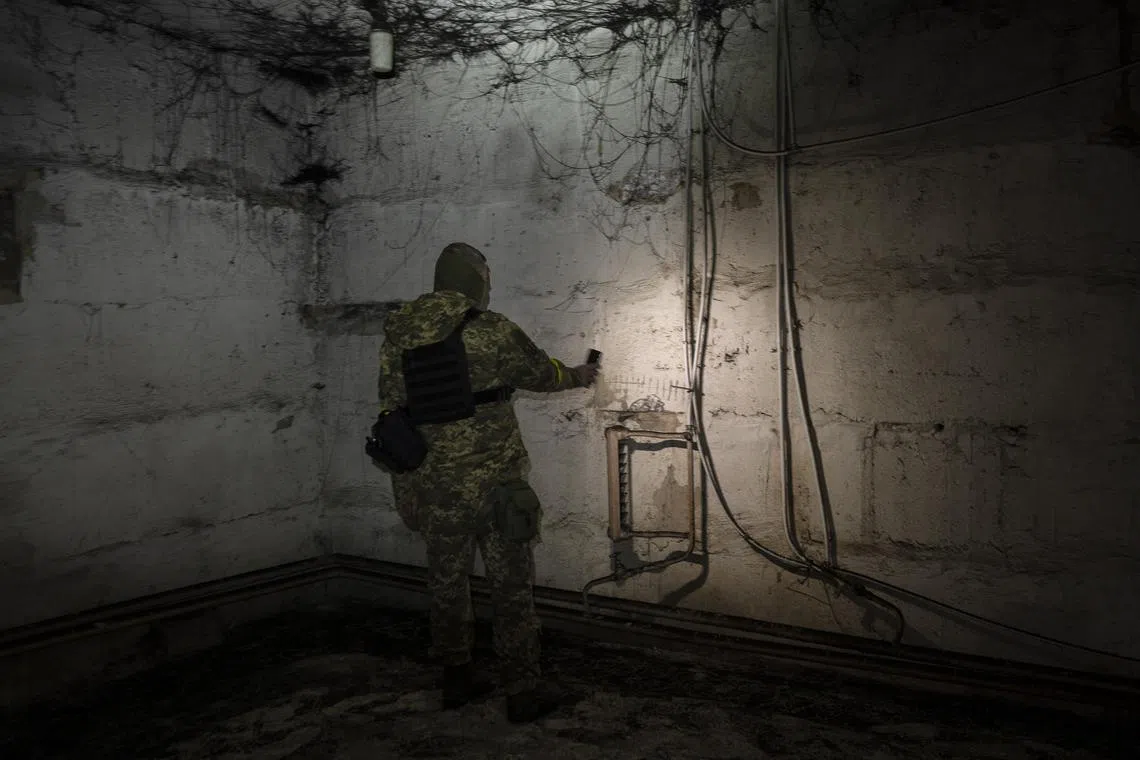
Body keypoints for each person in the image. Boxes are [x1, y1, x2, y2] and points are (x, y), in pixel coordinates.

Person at [375, 241, 600, 723]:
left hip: (434, 482)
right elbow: (541, 373)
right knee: (512, 584)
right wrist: (579, 375)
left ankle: (456, 676)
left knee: (446, 580)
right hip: (496, 483)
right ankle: (522, 689)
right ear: (475, 280)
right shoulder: (492, 329)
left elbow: (390, 401)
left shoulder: (398, 330)